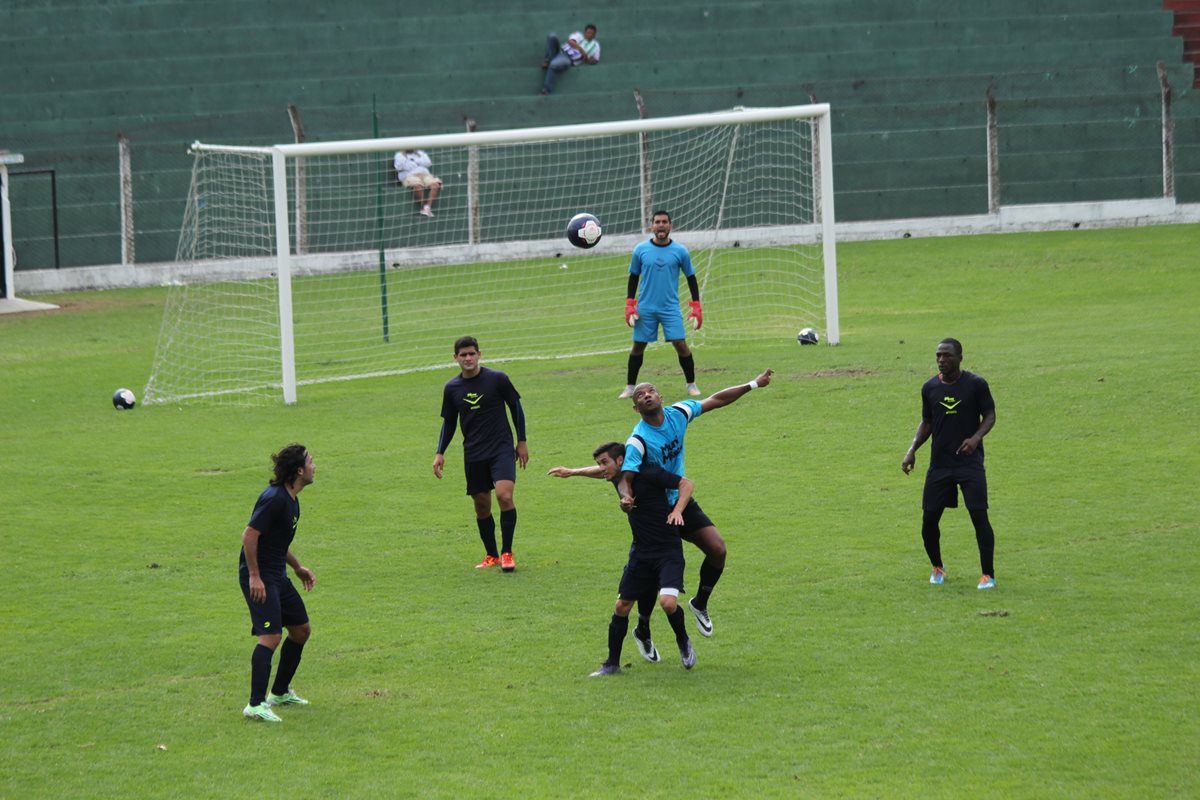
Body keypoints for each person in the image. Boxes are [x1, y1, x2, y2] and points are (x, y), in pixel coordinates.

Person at [614, 369, 774, 638]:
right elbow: (624, 477)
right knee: (653, 578)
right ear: (635, 408)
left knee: (718, 549)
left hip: (680, 501)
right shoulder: (638, 440)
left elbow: (717, 400)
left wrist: (753, 384)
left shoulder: (678, 414)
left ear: (660, 396)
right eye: (640, 395)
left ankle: (700, 603)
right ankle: (642, 628)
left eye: (650, 391)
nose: (646, 396)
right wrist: (625, 497)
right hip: (653, 513)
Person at [587, 442, 697, 676]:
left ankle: (683, 642)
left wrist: (677, 510)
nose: (601, 468)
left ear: (620, 461)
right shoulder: (616, 478)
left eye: (604, 462)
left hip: (667, 550)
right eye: (599, 464)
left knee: (667, 603)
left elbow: (686, 483)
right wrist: (570, 472)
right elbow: (595, 472)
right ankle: (612, 664)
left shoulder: (649, 472)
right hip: (640, 553)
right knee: (621, 606)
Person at [901, 338, 998, 590]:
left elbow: (990, 415)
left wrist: (975, 438)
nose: (941, 360)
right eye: (938, 356)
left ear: (960, 358)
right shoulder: (930, 388)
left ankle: (987, 575)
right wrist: (912, 450)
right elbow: (927, 423)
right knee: (929, 520)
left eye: (947, 355)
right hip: (940, 465)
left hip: (969, 464)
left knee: (979, 516)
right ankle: (937, 567)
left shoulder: (976, 385)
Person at [434, 336, 529, 572]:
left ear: (479, 354)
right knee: (482, 506)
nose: (468, 358)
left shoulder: (498, 379)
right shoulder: (452, 388)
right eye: (463, 355)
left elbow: (516, 408)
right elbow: (449, 423)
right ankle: (491, 555)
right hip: (474, 453)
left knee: (504, 497)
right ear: (455, 358)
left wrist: (522, 441)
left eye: (471, 353)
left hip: (501, 449)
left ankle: (507, 553)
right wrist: (440, 452)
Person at [239, 444, 317, 723]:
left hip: (277, 575)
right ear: (299, 470)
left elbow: (275, 541)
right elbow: (250, 535)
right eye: (310, 461)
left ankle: (280, 692)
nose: (314, 466)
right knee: (271, 636)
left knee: (300, 630)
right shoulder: (274, 498)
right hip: (261, 575)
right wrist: (254, 576)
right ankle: (255, 704)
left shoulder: (291, 499)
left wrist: (297, 567)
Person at [619, 210, 704, 399]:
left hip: (670, 308)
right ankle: (630, 387)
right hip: (646, 307)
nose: (661, 225)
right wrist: (630, 304)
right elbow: (633, 277)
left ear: (670, 226)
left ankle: (691, 384)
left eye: (664, 222)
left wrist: (696, 305)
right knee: (638, 346)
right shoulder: (640, 250)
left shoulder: (680, 251)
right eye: (657, 222)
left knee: (680, 344)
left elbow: (691, 278)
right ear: (652, 226)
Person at [540, 24, 600, 96]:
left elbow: (596, 60)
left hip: (567, 58)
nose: (589, 35)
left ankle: (546, 90)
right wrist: (582, 50)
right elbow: (571, 42)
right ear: (584, 32)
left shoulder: (596, 45)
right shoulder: (578, 35)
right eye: (588, 32)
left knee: (553, 64)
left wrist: (589, 60)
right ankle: (547, 60)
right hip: (560, 50)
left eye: (591, 33)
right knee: (552, 36)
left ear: (594, 35)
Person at [393, 149, 442, 218]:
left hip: (424, 174)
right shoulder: (399, 155)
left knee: (435, 185)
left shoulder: (420, 153)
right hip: (409, 175)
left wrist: (415, 161)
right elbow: (398, 167)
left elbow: (428, 163)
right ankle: (422, 207)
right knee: (418, 186)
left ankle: (427, 207)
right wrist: (406, 159)